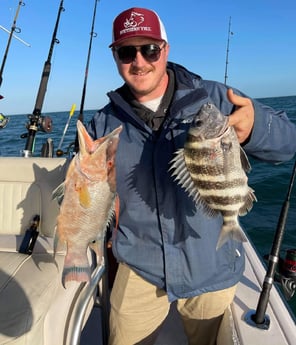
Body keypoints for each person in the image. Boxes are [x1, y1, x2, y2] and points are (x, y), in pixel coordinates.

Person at [86, 7, 296, 345]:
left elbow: (287, 145)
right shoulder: (103, 123)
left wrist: (256, 126)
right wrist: (85, 174)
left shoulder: (216, 98)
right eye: (127, 51)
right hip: (139, 266)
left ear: (165, 50)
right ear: (115, 56)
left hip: (210, 264)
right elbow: (90, 191)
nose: (139, 61)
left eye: (149, 49)